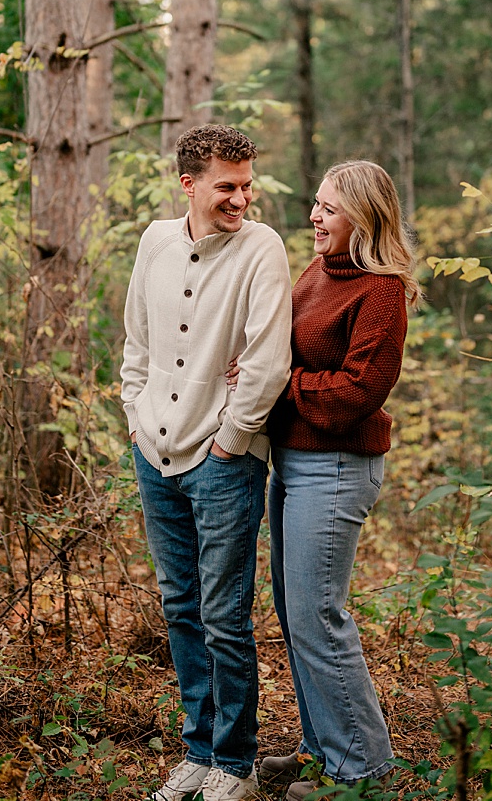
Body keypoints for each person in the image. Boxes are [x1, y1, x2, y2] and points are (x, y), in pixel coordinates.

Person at [121, 124, 292, 801]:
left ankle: (234, 763)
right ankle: (196, 751)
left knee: (224, 615)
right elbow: (136, 340)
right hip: (153, 452)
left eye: (247, 184)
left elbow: (268, 360)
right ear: (189, 184)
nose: (241, 198)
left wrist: (231, 439)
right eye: (227, 185)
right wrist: (136, 415)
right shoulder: (155, 241)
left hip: (223, 460)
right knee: (180, 606)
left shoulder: (262, 250)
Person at [258, 160, 419, 798]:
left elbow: (352, 397)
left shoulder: (381, 290)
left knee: (318, 615)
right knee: (296, 615)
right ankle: (323, 748)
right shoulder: (321, 272)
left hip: (336, 465)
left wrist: (279, 382)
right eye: (317, 205)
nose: (315, 217)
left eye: (328, 208)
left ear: (365, 218)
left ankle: (364, 773)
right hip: (293, 461)